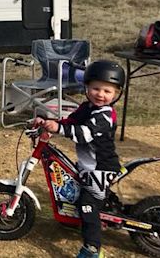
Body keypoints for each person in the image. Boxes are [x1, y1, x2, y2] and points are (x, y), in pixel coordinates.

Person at [32, 60, 125, 258]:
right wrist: (50, 122)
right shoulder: (87, 107)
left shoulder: (105, 116)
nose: (100, 94)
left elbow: (85, 133)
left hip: (100, 169)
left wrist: (59, 129)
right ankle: (75, 219)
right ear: (87, 87)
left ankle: (92, 248)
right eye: (96, 88)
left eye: (107, 91)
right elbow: (71, 121)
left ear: (116, 93)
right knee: (74, 187)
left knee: (87, 204)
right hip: (88, 166)